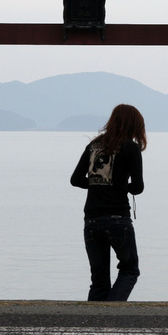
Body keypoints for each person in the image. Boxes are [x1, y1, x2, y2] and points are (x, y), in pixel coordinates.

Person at [69, 104, 146, 301]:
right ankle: (112, 312)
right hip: (118, 218)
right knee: (130, 270)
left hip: (92, 220)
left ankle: (95, 322)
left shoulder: (93, 145)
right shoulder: (131, 147)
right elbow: (138, 187)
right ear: (134, 125)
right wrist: (119, 186)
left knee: (99, 279)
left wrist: (99, 185)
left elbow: (76, 179)